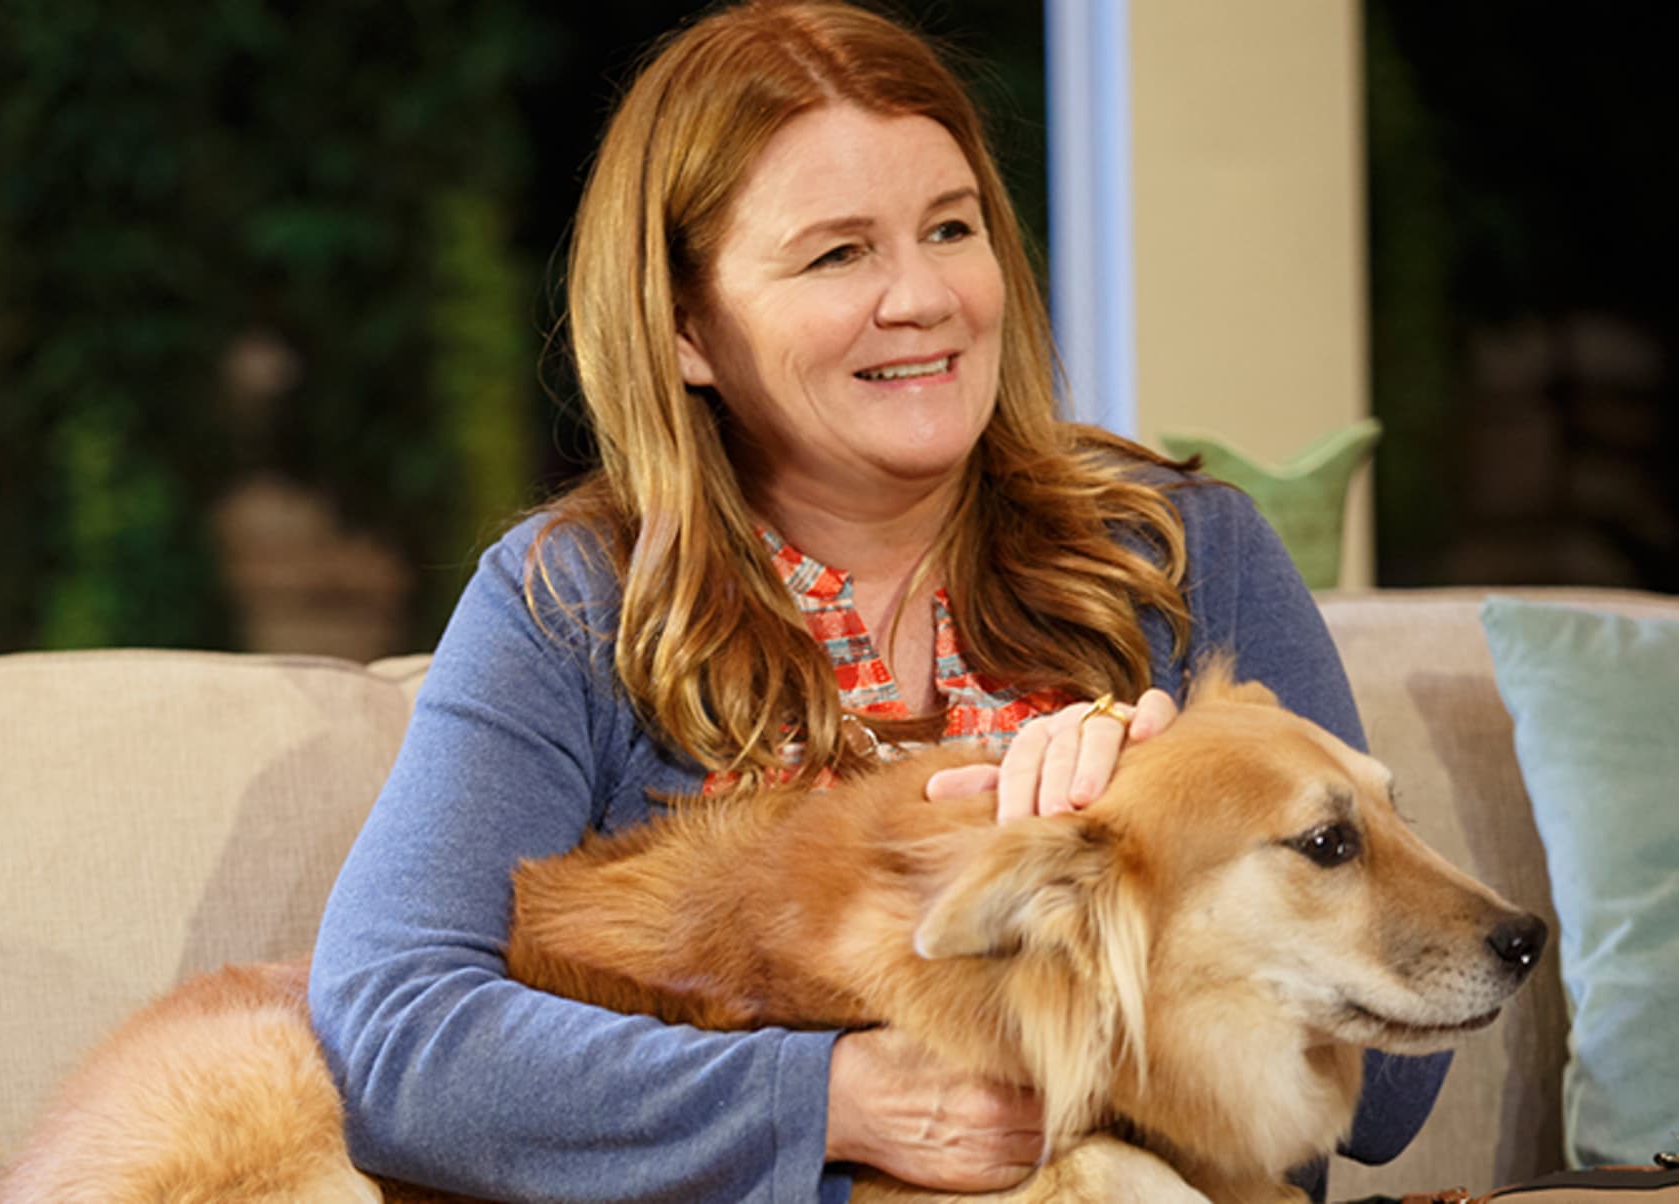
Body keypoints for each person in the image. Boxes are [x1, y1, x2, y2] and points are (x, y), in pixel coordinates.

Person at [309, 2, 1447, 1200]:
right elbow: (397, 1038)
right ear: (687, 326)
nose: (922, 297)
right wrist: (836, 1101)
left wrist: (1169, 823)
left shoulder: (1179, 549)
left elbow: (1400, 1097)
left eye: (950, 229)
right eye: (837, 252)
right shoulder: (575, 600)